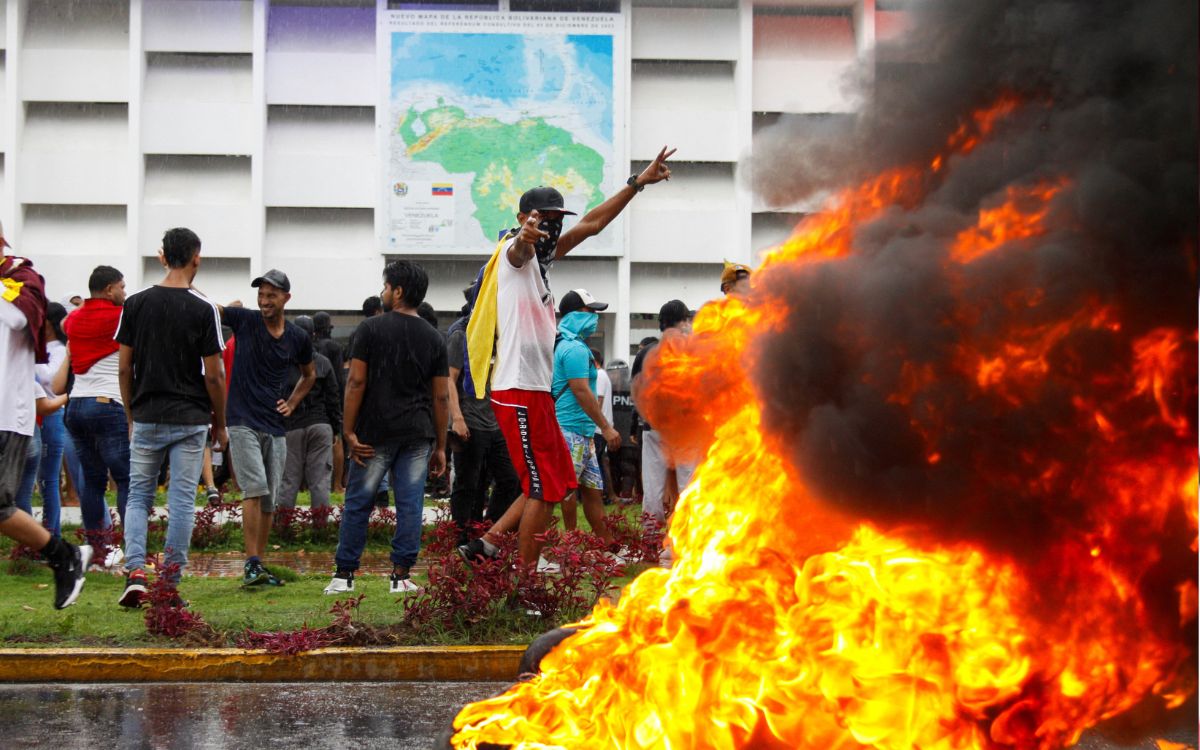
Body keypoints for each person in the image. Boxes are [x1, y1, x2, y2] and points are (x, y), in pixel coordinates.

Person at [458, 146, 675, 569]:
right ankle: (525, 583)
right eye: (544, 219)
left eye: (557, 220)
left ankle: (488, 543)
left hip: (538, 394)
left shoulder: (545, 260)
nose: (552, 227)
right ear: (523, 218)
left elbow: (592, 224)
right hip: (516, 391)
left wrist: (636, 184)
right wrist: (523, 238)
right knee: (541, 487)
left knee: (554, 485)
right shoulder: (513, 254)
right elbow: (518, 251)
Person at [116, 227, 226, 607]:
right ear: (197, 256)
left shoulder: (136, 303)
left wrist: (132, 413)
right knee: (181, 501)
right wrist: (221, 422)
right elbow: (215, 374)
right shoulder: (204, 308)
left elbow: (124, 368)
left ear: (162, 256)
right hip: (191, 416)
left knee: (138, 498)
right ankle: (169, 582)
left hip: (147, 412)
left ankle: (135, 572)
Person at [326, 260, 449, 596]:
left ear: (397, 291)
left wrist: (348, 431)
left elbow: (356, 382)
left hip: (372, 432)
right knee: (410, 504)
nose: (382, 293)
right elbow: (441, 398)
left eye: (385, 287)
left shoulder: (370, 329)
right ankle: (400, 576)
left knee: (359, 502)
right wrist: (440, 445)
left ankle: (344, 575)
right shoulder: (435, 338)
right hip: (417, 433)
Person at [1, 240, 91, 608]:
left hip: (7, 413)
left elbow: (20, 318)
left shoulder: (21, 276)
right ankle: (63, 555)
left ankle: (64, 555)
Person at [219, 269, 315, 587]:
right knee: (255, 488)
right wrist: (179, 277)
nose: (264, 300)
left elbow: (309, 374)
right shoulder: (246, 321)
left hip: (274, 424)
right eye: (261, 294)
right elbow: (211, 307)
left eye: (271, 295)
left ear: (286, 298)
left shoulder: (297, 337)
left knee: (270, 499)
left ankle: (257, 565)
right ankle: (251, 563)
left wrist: (293, 401)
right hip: (242, 419)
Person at [445, 287, 521, 547]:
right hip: (469, 421)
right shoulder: (461, 333)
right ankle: (462, 539)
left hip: (497, 422)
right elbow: (449, 380)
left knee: (510, 479)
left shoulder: (499, 332)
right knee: (469, 484)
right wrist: (456, 418)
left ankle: (489, 533)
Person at [548, 290, 621, 551]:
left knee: (592, 491)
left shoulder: (573, 345)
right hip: (569, 431)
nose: (595, 318)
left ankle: (608, 545)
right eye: (591, 312)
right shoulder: (574, 348)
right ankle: (567, 542)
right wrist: (606, 426)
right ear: (575, 314)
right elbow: (580, 390)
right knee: (563, 491)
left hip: (583, 433)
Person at [63, 266, 130, 543]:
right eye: (122, 287)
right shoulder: (122, 317)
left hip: (76, 403)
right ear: (109, 289)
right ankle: (133, 546)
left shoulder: (71, 320)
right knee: (125, 479)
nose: (125, 293)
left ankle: (96, 548)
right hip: (107, 402)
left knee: (92, 481)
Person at [631, 300, 695, 567]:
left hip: (653, 428)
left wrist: (640, 423)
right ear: (682, 321)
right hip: (685, 429)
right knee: (688, 487)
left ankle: (650, 545)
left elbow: (636, 390)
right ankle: (686, 544)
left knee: (653, 489)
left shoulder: (646, 353)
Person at [277, 315, 340, 510]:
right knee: (320, 479)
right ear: (313, 335)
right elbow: (333, 398)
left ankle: (283, 525)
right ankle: (319, 528)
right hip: (321, 425)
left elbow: (275, 396)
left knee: (289, 479)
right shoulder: (323, 362)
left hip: (291, 427)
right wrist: (336, 428)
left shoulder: (283, 363)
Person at [312, 311, 346, 494]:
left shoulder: (311, 347)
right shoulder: (334, 347)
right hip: (332, 396)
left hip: (313, 399)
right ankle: (337, 484)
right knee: (337, 440)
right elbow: (339, 378)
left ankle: (306, 484)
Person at [591, 348, 616, 504]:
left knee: (596, 464)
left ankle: (600, 496)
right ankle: (605, 495)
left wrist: (593, 420)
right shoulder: (603, 375)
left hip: (598, 428)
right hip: (601, 427)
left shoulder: (599, 376)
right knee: (600, 462)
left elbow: (597, 402)